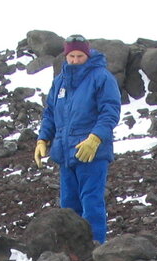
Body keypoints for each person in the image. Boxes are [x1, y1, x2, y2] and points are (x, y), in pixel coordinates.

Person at [34, 35, 121, 244]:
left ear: (87, 55)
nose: (75, 60)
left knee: (91, 203)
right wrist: (43, 139)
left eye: (79, 56)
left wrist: (95, 138)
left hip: (91, 153)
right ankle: (72, 250)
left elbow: (110, 111)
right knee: (68, 206)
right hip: (65, 153)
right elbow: (50, 113)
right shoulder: (60, 81)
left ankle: (95, 247)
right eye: (71, 56)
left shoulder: (101, 77)